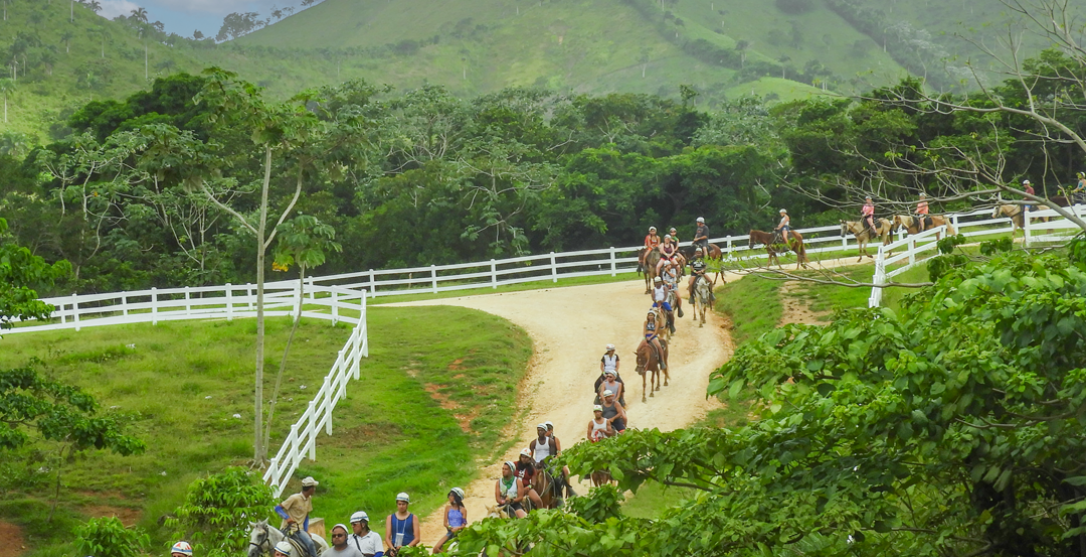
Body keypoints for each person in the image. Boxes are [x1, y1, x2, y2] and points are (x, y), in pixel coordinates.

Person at [275, 477, 319, 557]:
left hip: (298, 530)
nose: (314, 490)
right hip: (287, 528)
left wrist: (306, 530)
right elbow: (277, 508)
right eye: (314, 488)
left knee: (310, 544)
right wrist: (287, 518)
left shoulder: (309, 499)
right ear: (310, 489)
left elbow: (306, 516)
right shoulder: (294, 498)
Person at [544, 422, 576, 498]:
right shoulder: (540, 440)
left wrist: (556, 458)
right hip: (543, 461)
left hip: (553, 460)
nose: (546, 432)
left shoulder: (555, 439)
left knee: (565, 470)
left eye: (548, 430)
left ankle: (568, 488)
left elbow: (559, 452)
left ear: (551, 430)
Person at [432, 488, 467, 554]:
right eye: (449, 495)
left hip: (460, 533)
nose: (449, 497)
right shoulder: (447, 508)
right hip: (450, 532)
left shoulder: (463, 510)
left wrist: (458, 528)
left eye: (451, 495)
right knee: (436, 548)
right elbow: (445, 523)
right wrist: (450, 527)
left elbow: (464, 524)